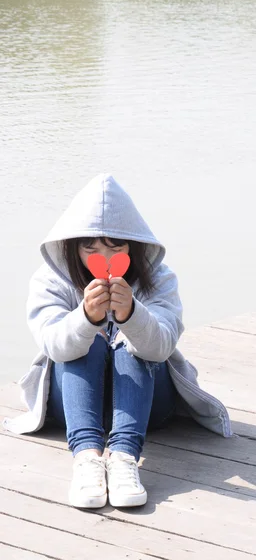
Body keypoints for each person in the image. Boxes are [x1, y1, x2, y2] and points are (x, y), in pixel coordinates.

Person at [3, 173, 232, 509]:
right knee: (87, 340)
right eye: (89, 247)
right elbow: (53, 345)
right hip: (73, 405)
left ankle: (125, 458)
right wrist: (86, 317)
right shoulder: (51, 279)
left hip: (150, 403)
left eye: (116, 247)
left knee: (130, 341)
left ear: (133, 247)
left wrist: (131, 315)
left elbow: (162, 347)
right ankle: (86, 459)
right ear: (72, 245)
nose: (104, 257)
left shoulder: (159, 279)